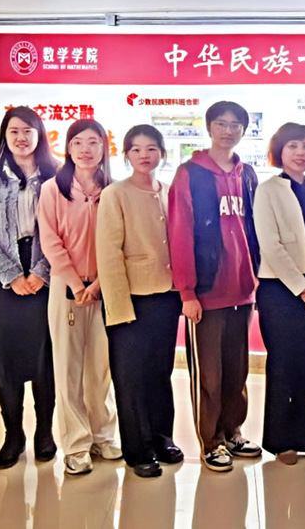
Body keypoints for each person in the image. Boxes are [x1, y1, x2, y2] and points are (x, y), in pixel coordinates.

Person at [168, 101, 263, 473]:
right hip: (207, 292)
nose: (228, 130)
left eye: (235, 124)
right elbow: (180, 234)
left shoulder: (247, 174)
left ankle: (233, 431)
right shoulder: (190, 174)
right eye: (221, 123)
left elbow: (255, 229)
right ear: (209, 128)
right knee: (209, 374)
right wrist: (187, 292)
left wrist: (257, 281)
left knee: (237, 370)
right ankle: (211, 442)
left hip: (243, 290)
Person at [0, 106, 58, 469]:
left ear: (39, 134)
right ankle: (13, 434)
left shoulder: (55, 175)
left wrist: (41, 272)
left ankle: (45, 432)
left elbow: (63, 228)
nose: (21, 137)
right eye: (14, 131)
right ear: (5, 135)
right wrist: (10, 274)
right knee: (5, 358)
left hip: (45, 273)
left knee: (45, 358)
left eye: (28, 131)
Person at [97, 125, 184, 478]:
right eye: (136, 149)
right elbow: (108, 254)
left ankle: (163, 438)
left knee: (160, 372)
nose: (144, 155)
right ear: (126, 155)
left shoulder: (169, 192)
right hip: (131, 299)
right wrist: (119, 308)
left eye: (151, 148)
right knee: (131, 377)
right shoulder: (115, 194)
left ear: (162, 152)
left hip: (166, 296)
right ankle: (138, 450)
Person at [38, 118, 121, 475]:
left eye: (94, 142)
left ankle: (103, 435)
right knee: (68, 367)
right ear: (68, 147)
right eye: (78, 142)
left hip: (107, 288)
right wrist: (76, 284)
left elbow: (120, 241)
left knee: (101, 368)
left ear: (104, 148)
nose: (86, 150)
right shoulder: (52, 189)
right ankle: (75, 444)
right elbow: (50, 241)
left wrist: (99, 284)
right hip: (66, 289)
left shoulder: (113, 190)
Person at [253, 123, 305, 465]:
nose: (300, 152)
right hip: (279, 289)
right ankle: (279, 440)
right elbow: (269, 244)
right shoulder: (267, 190)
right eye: (292, 146)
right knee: (282, 365)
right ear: (279, 151)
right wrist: (301, 287)